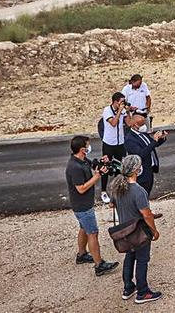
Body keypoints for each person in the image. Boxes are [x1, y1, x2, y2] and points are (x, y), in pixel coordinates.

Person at [108, 155, 162, 304]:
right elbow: (146, 215)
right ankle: (143, 292)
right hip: (139, 231)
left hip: (125, 230)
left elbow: (112, 204)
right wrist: (154, 231)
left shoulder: (116, 187)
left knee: (129, 257)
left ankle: (128, 287)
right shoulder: (138, 191)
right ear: (137, 170)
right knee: (142, 259)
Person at [64, 135, 119, 276]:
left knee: (84, 228)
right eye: (87, 146)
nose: (89, 147)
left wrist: (101, 162)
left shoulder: (81, 160)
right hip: (82, 206)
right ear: (83, 149)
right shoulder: (75, 167)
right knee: (92, 232)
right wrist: (97, 176)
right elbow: (80, 188)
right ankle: (99, 264)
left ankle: (82, 254)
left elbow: (92, 164)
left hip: (82, 205)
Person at [124, 113, 167, 196]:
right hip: (142, 173)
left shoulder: (143, 134)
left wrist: (161, 138)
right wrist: (154, 141)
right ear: (135, 125)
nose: (144, 126)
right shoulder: (130, 140)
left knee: (147, 193)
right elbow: (141, 153)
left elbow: (152, 145)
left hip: (150, 169)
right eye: (142, 124)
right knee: (142, 195)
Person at [100, 92, 127, 204]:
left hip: (120, 143)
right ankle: (103, 191)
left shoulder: (123, 110)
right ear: (115, 102)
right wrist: (120, 111)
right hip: (109, 143)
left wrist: (129, 112)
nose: (123, 104)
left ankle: (116, 190)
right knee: (106, 166)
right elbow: (113, 123)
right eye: (121, 102)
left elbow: (129, 123)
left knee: (119, 166)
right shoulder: (107, 110)